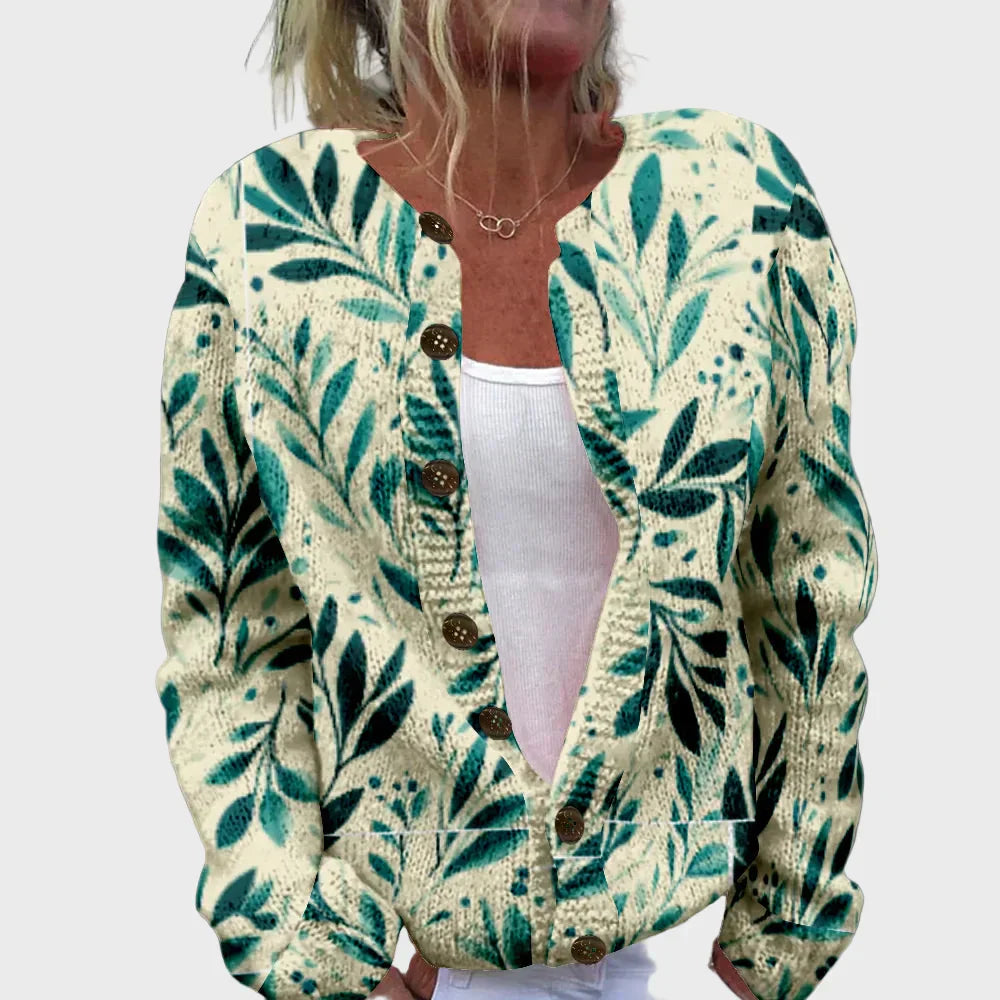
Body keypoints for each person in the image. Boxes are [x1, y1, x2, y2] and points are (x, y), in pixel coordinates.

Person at [155, 2, 876, 999]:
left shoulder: (735, 195)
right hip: (418, 961)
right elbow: (230, 633)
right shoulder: (266, 225)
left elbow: (809, 585)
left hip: (662, 959)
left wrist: (782, 934)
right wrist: (314, 961)